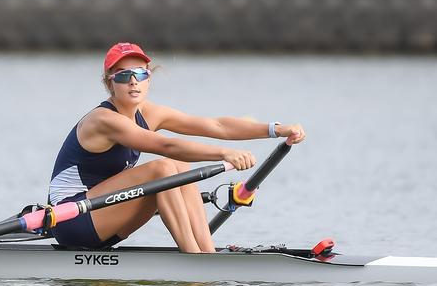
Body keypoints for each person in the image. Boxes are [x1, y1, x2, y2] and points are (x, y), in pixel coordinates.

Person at [48, 42, 305, 253]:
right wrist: (224, 153)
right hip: (71, 219)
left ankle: (206, 254)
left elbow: (216, 125)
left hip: (104, 215)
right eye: (124, 76)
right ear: (109, 83)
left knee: (180, 168)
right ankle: (193, 258)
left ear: (149, 78)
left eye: (140, 74)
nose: (133, 82)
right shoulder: (103, 120)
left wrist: (275, 129)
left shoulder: (149, 113)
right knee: (163, 168)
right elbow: (166, 145)